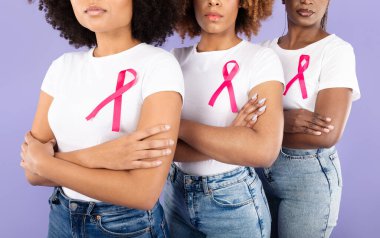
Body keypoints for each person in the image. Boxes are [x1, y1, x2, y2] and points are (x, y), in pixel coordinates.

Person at [21, 0, 184, 237]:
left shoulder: (159, 66)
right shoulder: (62, 67)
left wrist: (47, 163)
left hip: (126, 225)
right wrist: (100, 156)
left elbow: (143, 193)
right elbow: (32, 174)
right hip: (61, 217)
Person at [161, 0, 284, 237]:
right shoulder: (173, 60)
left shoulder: (261, 59)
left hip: (233, 201)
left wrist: (179, 126)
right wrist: (231, 139)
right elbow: (160, 146)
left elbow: (264, 151)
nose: (213, 2)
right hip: (173, 196)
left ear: (243, 3)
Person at [258, 0, 361, 237]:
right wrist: (286, 121)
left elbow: (327, 134)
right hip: (259, 168)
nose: (307, 1)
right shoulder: (263, 51)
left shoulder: (336, 50)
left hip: (308, 177)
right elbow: (239, 121)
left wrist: (270, 123)